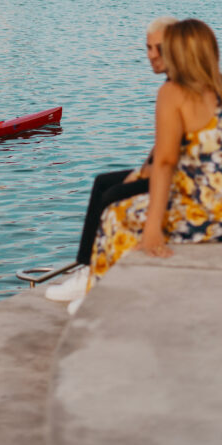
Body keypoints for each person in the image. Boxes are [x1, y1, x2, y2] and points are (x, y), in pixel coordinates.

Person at [85, 19, 222, 303]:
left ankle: (95, 297)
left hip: (220, 215)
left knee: (113, 216)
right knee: (112, 190)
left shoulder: (173, 92)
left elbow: (167, 161)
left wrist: (153, 227)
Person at [46, 16, 177, 302]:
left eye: (158, 48)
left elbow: (168, 158)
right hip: (173, 170)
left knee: (113, 196)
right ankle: (86, 268)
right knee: (102, 182)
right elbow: (161, 149)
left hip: (180, 178)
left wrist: (145, 178)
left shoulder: (174, 90)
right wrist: (141, 172)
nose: (151, 55)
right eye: (148, 48)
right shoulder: (171, 84)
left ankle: (98, 279)